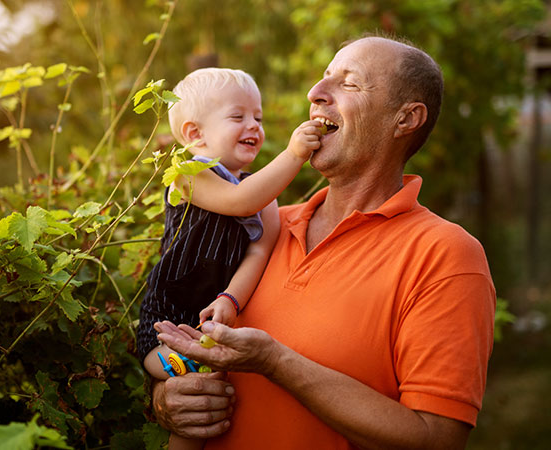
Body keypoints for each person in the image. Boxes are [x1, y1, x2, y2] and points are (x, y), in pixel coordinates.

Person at [151, 36, 496, 450]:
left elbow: (436, 440)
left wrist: (276, 362)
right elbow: (182, 356)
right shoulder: (261, 228)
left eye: (348, 84)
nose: (315, 93)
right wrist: (167, 402)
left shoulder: (445, 255)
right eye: (323, 77)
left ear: (405, 119)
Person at [136, 67, 322, 449]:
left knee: (205, 402)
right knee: (182, 381)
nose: (253, 125)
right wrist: (293, 155)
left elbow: (258, 250)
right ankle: (170, 365)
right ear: (195, 135)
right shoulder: (188, 174)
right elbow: (240, 202)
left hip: (212, 315)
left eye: (258, 117)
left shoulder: (262, 194)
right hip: (171, 308)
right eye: (238, 116)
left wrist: (231, 298)